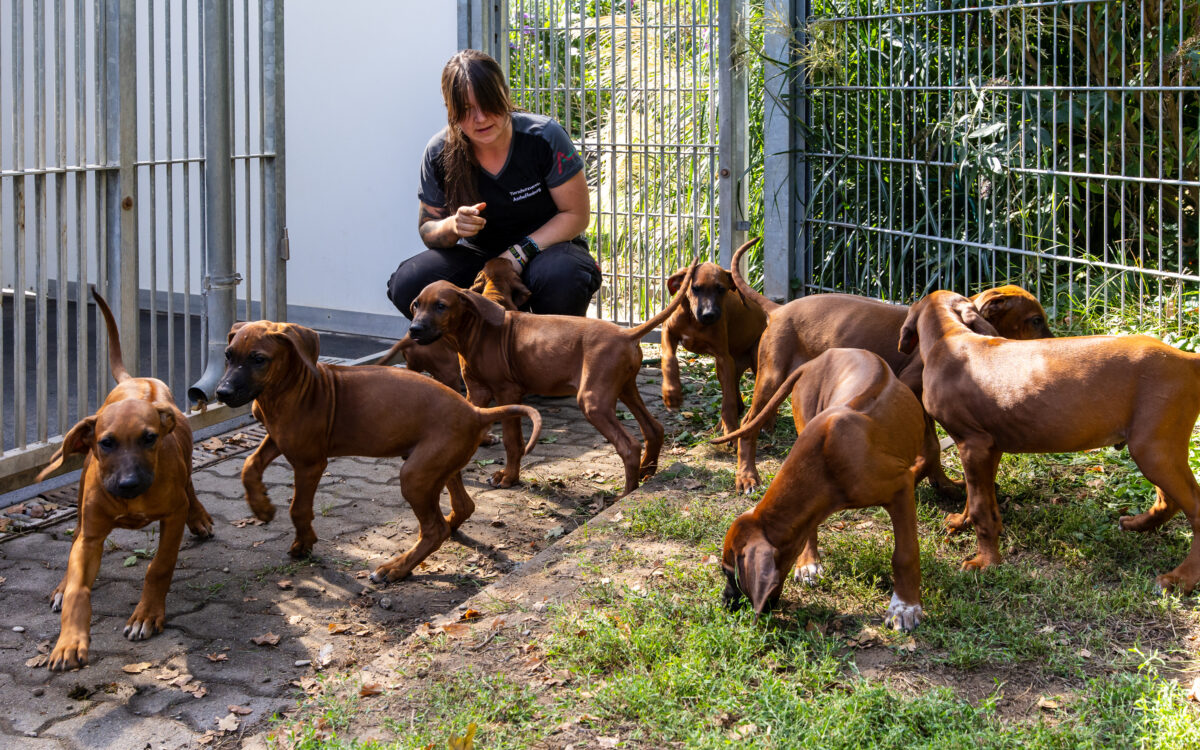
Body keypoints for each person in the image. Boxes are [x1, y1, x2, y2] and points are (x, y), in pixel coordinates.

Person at [386, 49, 602, 319]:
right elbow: (428, 228)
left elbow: (576, 215)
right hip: (478, 258)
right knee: (408, 283)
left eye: (487, 104)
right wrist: (453, 225)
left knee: (563, 277)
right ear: (450, 110)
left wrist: (518, 253)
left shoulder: (544, 136)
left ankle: (549, 355)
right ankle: (463, 356)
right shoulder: (438, 151)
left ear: (505, 94)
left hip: (547, 252)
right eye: (466, 110)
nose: (480, 118)